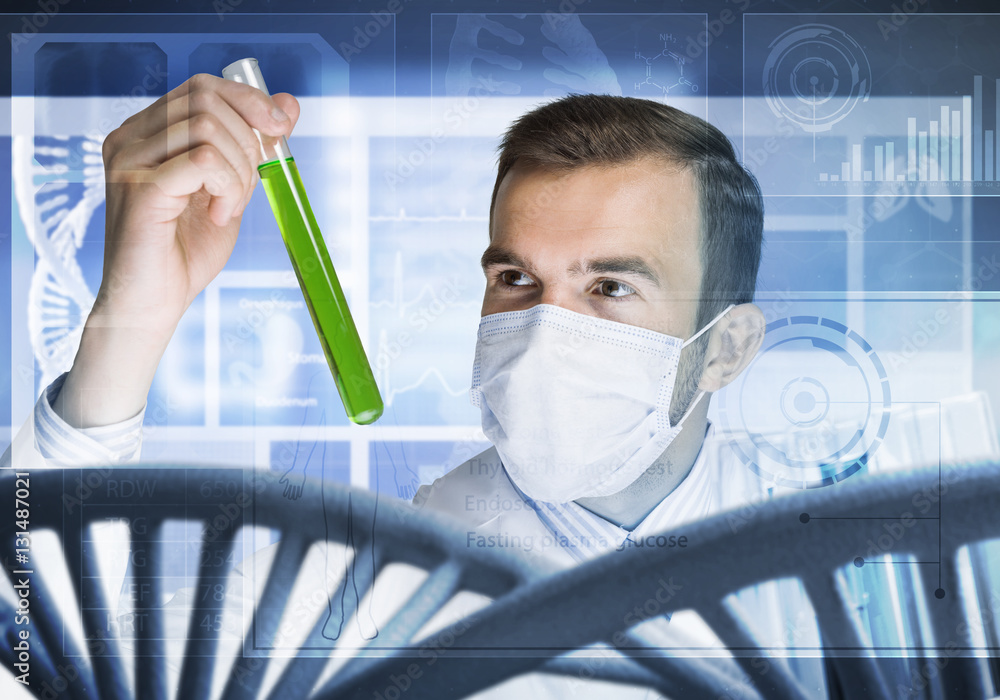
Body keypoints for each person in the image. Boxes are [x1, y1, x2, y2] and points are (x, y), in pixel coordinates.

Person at [1, 75, 777, 695]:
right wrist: (126, 326)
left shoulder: (854, 569)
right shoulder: (366, 584)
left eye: (609, 287)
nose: (545, 329)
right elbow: (31, 661)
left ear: (725, 350)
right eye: (515, 277)